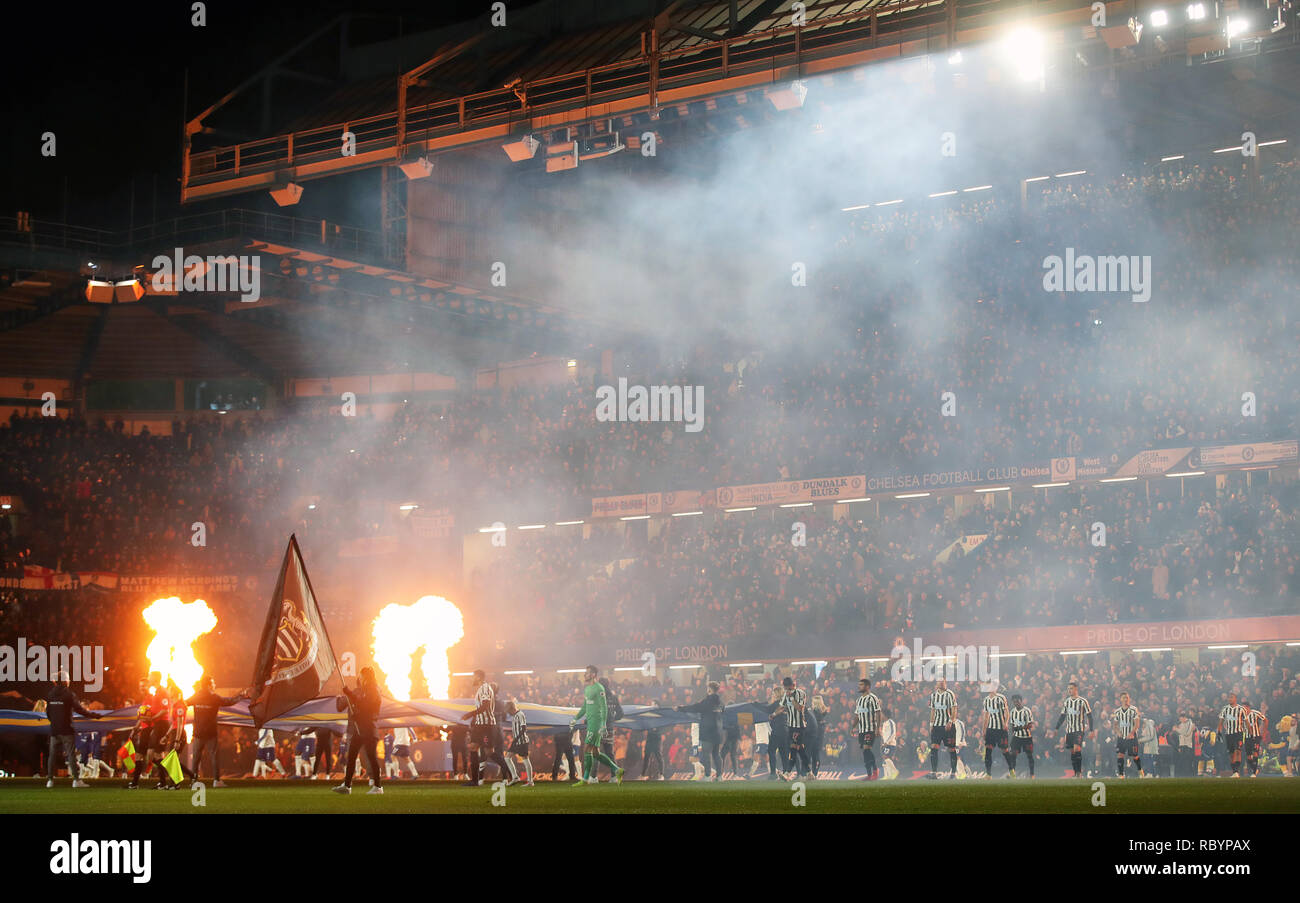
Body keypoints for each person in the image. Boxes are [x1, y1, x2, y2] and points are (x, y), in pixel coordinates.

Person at [43, 670, 100, 788]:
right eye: (68, 679)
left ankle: (50, 780)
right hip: (66, 729)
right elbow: (80, 710)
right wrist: (94, 715)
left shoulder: (50, 694)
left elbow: (48, 713)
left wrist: (54, 722)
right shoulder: (69, 694)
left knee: (52, 755)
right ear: (65, 681)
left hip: (54, 730)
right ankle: (76, 780)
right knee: (71, 755)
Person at [333, 666, 384, 795]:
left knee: (371, 757)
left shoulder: (373, 689)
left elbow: (366, 704)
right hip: (360, 728)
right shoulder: (366, 689)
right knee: (351, 757)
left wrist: (350, 694)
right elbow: (362, 705)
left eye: (361, 676)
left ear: (365, 676)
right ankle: (347, 785)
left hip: (368, 728)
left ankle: (378, 787)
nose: (359, 678)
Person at [570, 665, 624, 785]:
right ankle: (617, 770)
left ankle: (585, 779)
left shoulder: (599, 688)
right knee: (596, 753)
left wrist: (603, 725)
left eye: (587, 673)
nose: (584, 675)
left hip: (597, 724)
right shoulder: (587, 689)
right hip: (591, 723)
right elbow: (585, 706)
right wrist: (576, 718)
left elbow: (604, 707)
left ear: (593, 674)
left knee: (587, 749)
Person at [187, 676, 244, 787]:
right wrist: (242, 696)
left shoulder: (196, 696)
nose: (214, 685)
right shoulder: (214, 697)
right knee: (214, 756)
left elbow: (185, 703)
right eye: (213, 683)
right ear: (208, 685)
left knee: (196, 758)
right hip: (210, 733)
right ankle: (216, 781)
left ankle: (193, 781)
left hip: (198, 732)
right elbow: (230, 701)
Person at [460, 670, 513, 787]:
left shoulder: (485, 688)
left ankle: (510, 773)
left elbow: (485, 705)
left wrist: (470, 714)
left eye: (473, 677)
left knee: (489, 752)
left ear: (478, 677)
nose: (471, 679)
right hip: (480, 725)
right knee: (473, 748)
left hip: (486, 726)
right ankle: (475, 780)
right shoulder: (481, 688)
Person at [126, 673, 169, 790]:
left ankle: (164, 780)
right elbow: (143, 717)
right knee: (140, 755)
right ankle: (135, 782)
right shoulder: (147, 699)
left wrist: (152, 721)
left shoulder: (154, 696)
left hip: (152, 728)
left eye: (144, 685)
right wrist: (136, 727)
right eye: (140, 686)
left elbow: (160, 712)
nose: (142, 688)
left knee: (153, 755)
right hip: (146, 729)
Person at [677, 681, 724, 781]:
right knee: (716, 754)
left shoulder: (707, 702)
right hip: (718, 732)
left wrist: (681, 708)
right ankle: (719, 776)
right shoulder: (721, 703)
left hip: (707, 732)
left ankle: (707, 776)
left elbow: (695, 708)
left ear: (709, 689)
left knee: (707, 755)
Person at [1053, 681, 1094, 778]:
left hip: (1079, 729)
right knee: (1072, 751)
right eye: (1068, 689)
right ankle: (1076, 773)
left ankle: (1079, 773)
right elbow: (1062, 716)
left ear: (1076, 689)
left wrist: (1091, 730)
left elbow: (1090, 716)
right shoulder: (1067, 702)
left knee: (1077, 749)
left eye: (1071, 688)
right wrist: (1056, 728)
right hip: (1069, 730)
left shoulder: (1083, 701)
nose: (1069, 690)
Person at [927, 677, 958, 779]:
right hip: (936, 726)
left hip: (947, 726)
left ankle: (953, 773)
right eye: (940, 682)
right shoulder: (933, 695)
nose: (942, 684)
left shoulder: (950, 694)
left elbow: (954, 709)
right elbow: (933, 710)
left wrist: (950, 721)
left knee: (951, 748)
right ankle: (934, 772)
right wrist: (931, 724)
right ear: (937, 684)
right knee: (934, 747)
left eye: (943, 682)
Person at [780, 676, 810, 778]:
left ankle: (787, 773)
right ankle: (810, 773)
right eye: (785, 688)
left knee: (793, 748)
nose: (787, 690)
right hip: (791, 726)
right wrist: (774, 714)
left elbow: (799, 708)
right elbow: (782, 706)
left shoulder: (801, 693)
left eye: (788, 688)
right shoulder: (785, 695)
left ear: (793, 686)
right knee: (800, 750)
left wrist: (792, 698)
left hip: (799, 726)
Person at [980, 682, 1011, 779]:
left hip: (1001, 729)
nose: (991, 688)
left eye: (992, 686)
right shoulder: (986, 700)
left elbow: (1006, 712)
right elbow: (986, 716)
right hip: (990, 729)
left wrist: (1006, 723)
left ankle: (1012, 770)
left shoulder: (1001, 698)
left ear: (996, 688)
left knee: (1005, 750)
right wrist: (984, 730)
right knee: (988, 750)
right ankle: (988, 774)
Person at [854, 678, 882, 780]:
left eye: (861, 685)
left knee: (866, 749)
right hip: (861, 729)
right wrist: (853, 727)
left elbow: (878, 712)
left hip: (870, 728)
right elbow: (857, 715)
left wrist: (878, 728)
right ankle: (869, 775)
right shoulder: (859, 700)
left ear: (867, 686)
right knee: (865, 751)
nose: (859, 686)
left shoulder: (873, 698)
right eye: (859, 684)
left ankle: (875, 770)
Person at [1111, 692, 1142, 779]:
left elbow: (1137, 724)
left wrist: (1132, 733)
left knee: (1134, 755)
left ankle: (1140, 770)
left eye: (1127, 698)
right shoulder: (1117, 711)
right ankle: (1121, 774)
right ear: (1120, 699)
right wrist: (1118, 732)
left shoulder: (1134, 709)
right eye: (1124, 698)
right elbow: (1115, 725)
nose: (1125, 699)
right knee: (1120, 755)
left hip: (1132, 737)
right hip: (1122, 737)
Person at [1217, 692, 1247, 778]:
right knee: (1231, 753)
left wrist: (1250, 733)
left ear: (1235, 699)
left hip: (1239, 733)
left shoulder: (1241, 709)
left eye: (1231, 697)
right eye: (1229, 698)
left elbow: (1246, 721)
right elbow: (1221, 721)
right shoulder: (1225, 709)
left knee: (1238, 751)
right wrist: (1219, 732)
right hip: (1229, 733)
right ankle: (1234, 771)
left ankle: (1237, 771)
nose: (1230, 699)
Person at [505, 700, 534, 786]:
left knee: (525, 759)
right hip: (516, 742)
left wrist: (516, 739)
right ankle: (515, 777)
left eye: (508, 711)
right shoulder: (515, 716)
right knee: (507, 758)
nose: (508, 713)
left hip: (522, 742)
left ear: (512, 708)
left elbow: (524, 728)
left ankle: (530, 781)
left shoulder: (520, 714)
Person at [1007, 694, 1035, 779]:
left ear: (1021, 701)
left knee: (1029, 756)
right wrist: (1012, 731)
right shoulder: (1012, 712)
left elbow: (1030, 725)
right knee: (1013, 755)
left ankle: (1032, 774)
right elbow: (1012, 725)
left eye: (1018, 701)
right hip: (1016, 738)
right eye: (1014, 702)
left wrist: (1020, 728)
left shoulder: (1027, 711)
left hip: (1026, 737)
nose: (1016, 703)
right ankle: (1012, 773)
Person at [640, 705, 665, 780]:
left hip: (657, 740)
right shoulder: (648, 717)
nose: (652, 705)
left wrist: (655, 730)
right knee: (646, 758)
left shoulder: (660, 717)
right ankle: (643, 775)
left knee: (658, 757)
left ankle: (661, 774)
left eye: (654, 704)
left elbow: (662, 728)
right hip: (649, 740)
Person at [1242, 701, 1265, 778]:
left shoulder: (1255, 713)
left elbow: (1265, 720)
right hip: (1247, 737)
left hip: (1256, 737)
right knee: (1248, 756)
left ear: (1248, 707)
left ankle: (1254, 772)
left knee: (1255, 753)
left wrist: (1263, 732)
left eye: (1244, 707)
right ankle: (1253, 769)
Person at [1172, 713, 1195, 778]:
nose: (1180, 720)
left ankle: (1187, 775)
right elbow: (1181, 734)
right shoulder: (1182, 724)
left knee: (1186, 761)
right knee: (1183, 761)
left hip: (1187, 745)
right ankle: (1183, 775)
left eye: (1180, 718)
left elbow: (1186, 733)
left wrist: (1176, 729)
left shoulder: (1189, 723)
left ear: (1184, 717)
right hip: (1182, 744)